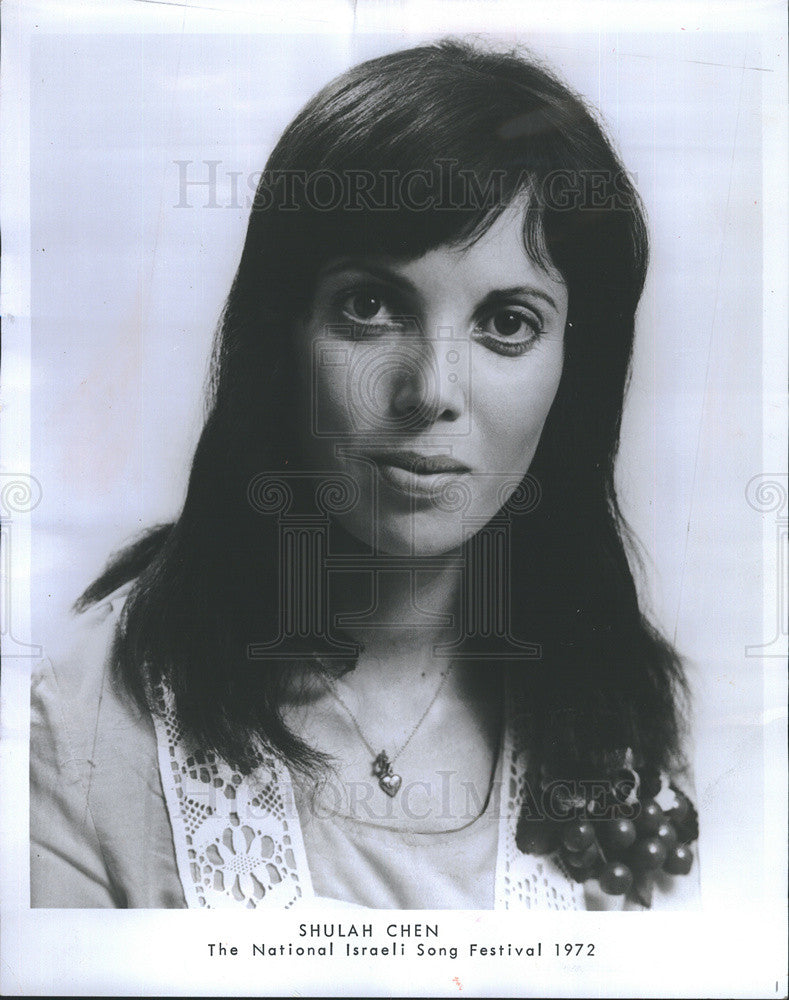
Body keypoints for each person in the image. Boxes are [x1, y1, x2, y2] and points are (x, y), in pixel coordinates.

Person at [30, 38, 699, 910]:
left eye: (507, 322)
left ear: (575, 370)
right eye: (371, 306)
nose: (431, 392)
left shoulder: (632, 724)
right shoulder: (86, 724)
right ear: (282, 335)